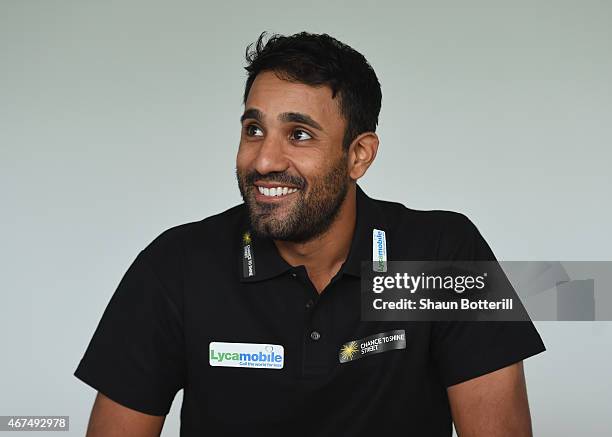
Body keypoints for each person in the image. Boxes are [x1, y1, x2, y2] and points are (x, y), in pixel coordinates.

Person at [74, 31, 545, 437]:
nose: (263, 161)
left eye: (299, 134)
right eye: (254, 129)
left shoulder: (445, 253)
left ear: (359, 155)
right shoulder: (174, 266)